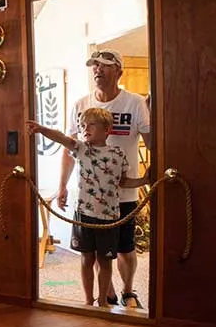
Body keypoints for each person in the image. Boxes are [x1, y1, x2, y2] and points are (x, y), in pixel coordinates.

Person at [59, 49, 153, 309]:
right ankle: (105, 294)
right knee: (93, 252)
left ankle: (128, 290)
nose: (98, 70)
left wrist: (150, 176)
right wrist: (62, 186)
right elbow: (70, 149)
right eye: (94, 66)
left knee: (125, 247)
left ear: (119, 71)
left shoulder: (135, 103)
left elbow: (152, 142)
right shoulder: (81, 104)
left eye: (105, 66)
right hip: (88, 199)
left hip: (123, 195)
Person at [28, 109, 147, 307]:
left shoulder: (117, 153)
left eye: (90, 124)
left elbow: (123, 182)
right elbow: (61, 138)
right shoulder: (81, 149)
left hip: (109, 217)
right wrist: (42, 129)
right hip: (84, 215)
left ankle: (102, 301)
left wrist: (143, 180)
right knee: (86, 259)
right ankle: (87, 300)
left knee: (105, 261)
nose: (85, 129)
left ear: (107, 129)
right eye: (83, 125)